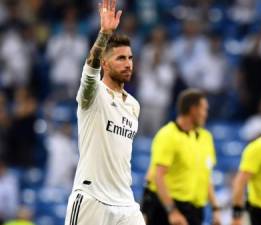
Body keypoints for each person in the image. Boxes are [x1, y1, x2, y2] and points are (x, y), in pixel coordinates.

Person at [64, 1, 145, 225]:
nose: (128, 64)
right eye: (121, 58)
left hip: (125, 203)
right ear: (105, 64)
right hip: (92, 198)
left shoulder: (133, 105)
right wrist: (103, 35)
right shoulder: (94, 94)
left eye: (130, 58)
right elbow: (90, 68)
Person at [142, 89, 221, 225]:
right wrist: (171, 210)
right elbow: (158, 176)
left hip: (194, 210)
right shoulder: (167, 135)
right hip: (166, 206)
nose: (205, 114)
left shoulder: (205, 137)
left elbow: (206, 176)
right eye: (204, 110)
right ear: (193, 110)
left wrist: (215, 208)